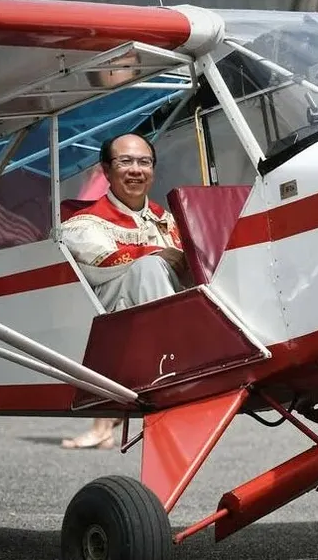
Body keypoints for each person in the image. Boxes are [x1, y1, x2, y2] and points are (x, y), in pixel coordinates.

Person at [58, 132, 189, 450]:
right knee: (149, 269)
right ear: (106, 170)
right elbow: (104, 262)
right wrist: (161, 256)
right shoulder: (82, 224)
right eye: (125, 161)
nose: (135, 169)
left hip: (160, 319)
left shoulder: (167, 220)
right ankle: (175, 377)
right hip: (108, 323)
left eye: (144, 162)